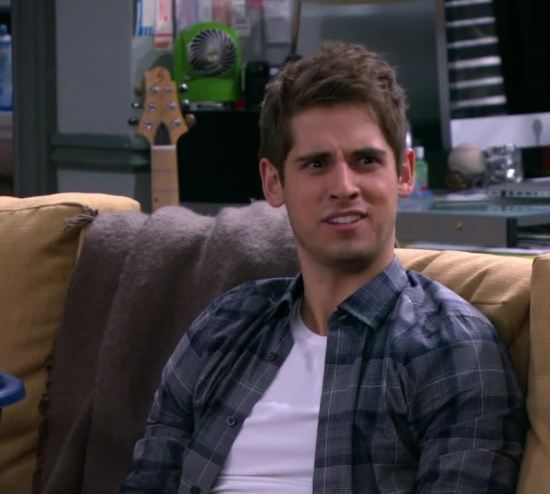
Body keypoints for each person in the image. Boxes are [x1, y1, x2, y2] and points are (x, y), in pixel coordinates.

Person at [119, 41, 526, 493]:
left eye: (366, 160)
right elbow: (148, 481)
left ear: (404, 173)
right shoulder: (224, 327)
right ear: (274, 182)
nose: (344, 187)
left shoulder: (452, 349)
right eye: (317, 164)